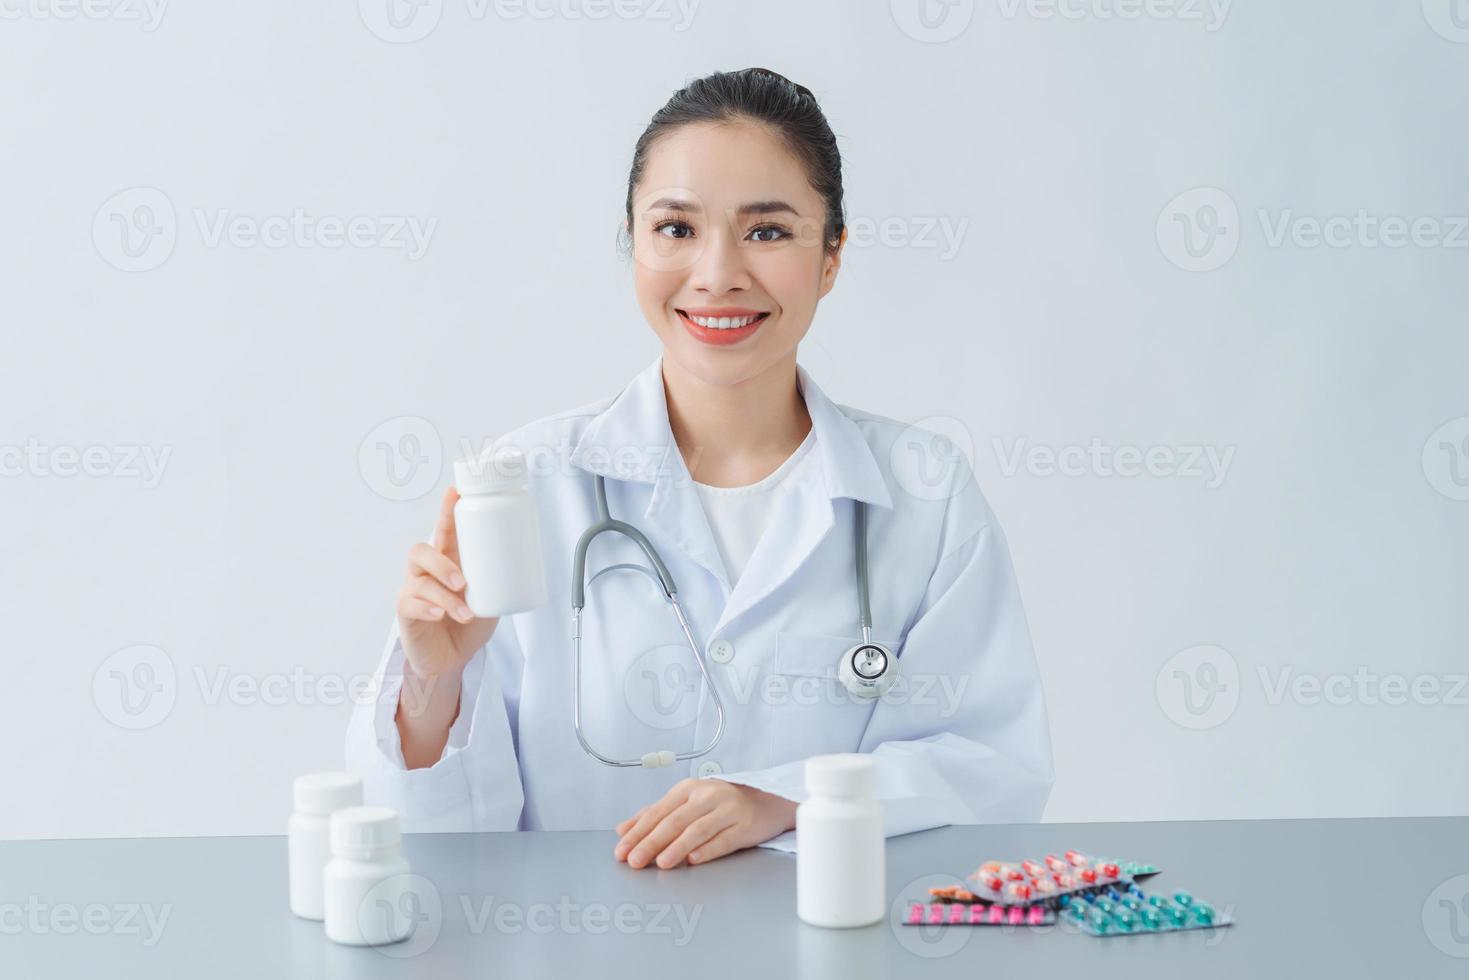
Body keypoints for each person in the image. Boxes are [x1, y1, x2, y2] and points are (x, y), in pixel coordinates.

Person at [346, 67, 1054, 870]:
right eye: (676, 229)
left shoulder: (925, 493)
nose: (716, 274)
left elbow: (992, 766)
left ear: (831, 257)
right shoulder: (526, 487)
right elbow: (427, 852)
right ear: (632, 242)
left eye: (766, 231)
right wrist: (433, 685)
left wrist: (785, 800)